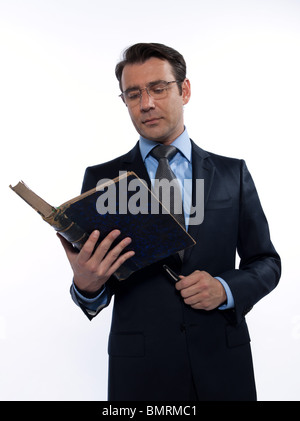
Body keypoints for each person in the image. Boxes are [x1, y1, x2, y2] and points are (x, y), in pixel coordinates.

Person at [58, 43, 281, 401]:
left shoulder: (232, 173)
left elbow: (267, 263)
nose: (146, 103)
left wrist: (225, 289)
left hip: (224, 365)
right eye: (134, 94)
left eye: (158, 88)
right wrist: (86, 286)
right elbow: (93, 294)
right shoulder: (102, 181)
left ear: (184, 90)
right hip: (142, 373)